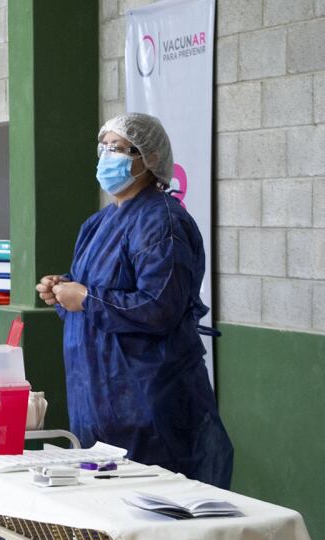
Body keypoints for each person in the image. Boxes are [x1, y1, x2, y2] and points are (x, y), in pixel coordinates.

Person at [36, 113, 233, 489]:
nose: (106, 156)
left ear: (149, 158)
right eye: (103, 147)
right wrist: (63, 293)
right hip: (95, 402)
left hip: (148, 407)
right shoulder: (98, 224)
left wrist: (87, 298)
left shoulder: (163, 223)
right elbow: (98, 299)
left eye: (118, 148)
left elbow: (159, 307)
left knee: (154, 517)